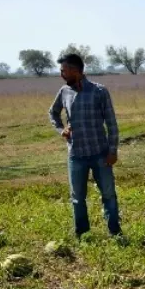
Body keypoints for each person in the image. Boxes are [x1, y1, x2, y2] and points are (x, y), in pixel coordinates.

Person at [48, 53, 122, 238]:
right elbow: (53, 113)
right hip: (76, 155)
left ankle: (115, 231)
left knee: (108, 194)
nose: (62, 74)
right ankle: (82, 234)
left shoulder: (99, 91)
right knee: (77, 198)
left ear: (75, 71)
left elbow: (111, 124)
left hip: (100, 154)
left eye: (64, 70)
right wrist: (61, 130)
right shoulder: (64, 92)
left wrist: (112, 151)